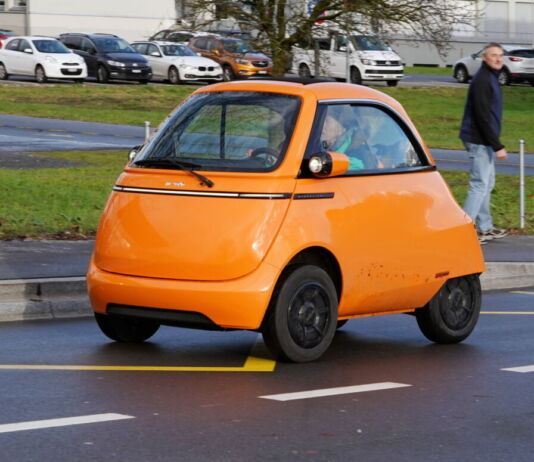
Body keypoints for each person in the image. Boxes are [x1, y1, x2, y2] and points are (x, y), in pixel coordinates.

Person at [460, 42, 509, 244]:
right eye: (493, 55)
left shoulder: (491, 77)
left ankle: (485, 227)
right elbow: (482, 117)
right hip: (479, 139)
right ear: (484, 58)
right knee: (480, 184)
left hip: (484, 139)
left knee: (487, 184)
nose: (498, 59)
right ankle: (464, 230)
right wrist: (497, 145)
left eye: (500, 55)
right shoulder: (482, 80)